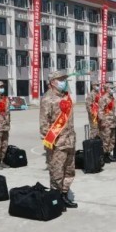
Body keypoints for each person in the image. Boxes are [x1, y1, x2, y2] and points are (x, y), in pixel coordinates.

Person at [40, 70, 77, 208]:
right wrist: (50, 143)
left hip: (70, 140)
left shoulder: (66, 96)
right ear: (52, 82)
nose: (63, 82)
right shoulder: (47, 99)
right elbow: (44, 124)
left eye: (64, 79)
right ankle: (56, 198)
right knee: (57, 171)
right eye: (60, 79)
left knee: (69, 170)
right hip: (57, 143)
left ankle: (64, 194)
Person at [98, 82, 116, 163]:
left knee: (112, 139)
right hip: (106, 123)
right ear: (107, 89)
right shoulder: (103, 98)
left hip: (112, 122)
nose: (113, 89)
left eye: (113, 88)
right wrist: (102, 121)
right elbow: (100, 111)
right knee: (106, 139)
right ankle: (104, 155)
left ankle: (108, 153)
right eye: (111, 88)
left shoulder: (111, 98)